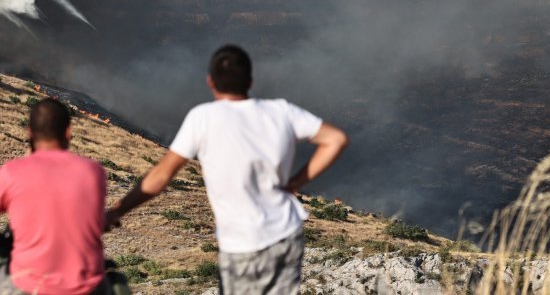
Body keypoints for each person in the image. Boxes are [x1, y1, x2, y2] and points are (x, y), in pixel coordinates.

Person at [106, 44, 349, 294]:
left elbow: (162, 175)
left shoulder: (203, 117)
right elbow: (335, 139)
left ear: (210, 82)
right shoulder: (281, 111)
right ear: (250, 81)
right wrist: (297, 182)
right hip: (285, 233)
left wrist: (118, 210)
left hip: (241, 242)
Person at [0, 98, 108, 295]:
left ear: (29, 133)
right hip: (87, 287)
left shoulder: (11, 173)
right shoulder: (94, 171)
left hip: (29, 285)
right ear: (68, 132)